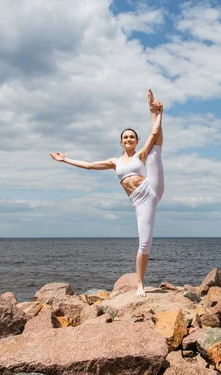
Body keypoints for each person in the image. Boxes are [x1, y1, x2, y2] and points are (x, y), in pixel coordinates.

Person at [49, 89, 164, 297]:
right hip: (140, 201)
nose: (128, 139)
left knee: (155, 150)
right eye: (125, 137)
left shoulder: (140, 154)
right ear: (121, 142)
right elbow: (89, 165)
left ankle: (153, 110)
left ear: (136, 140)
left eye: (132, 137)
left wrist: (156, 112)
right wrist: (65, 159)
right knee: (145, 242)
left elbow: (154, 134)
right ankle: (140, 284)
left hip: (151, 187)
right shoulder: (115, 162)